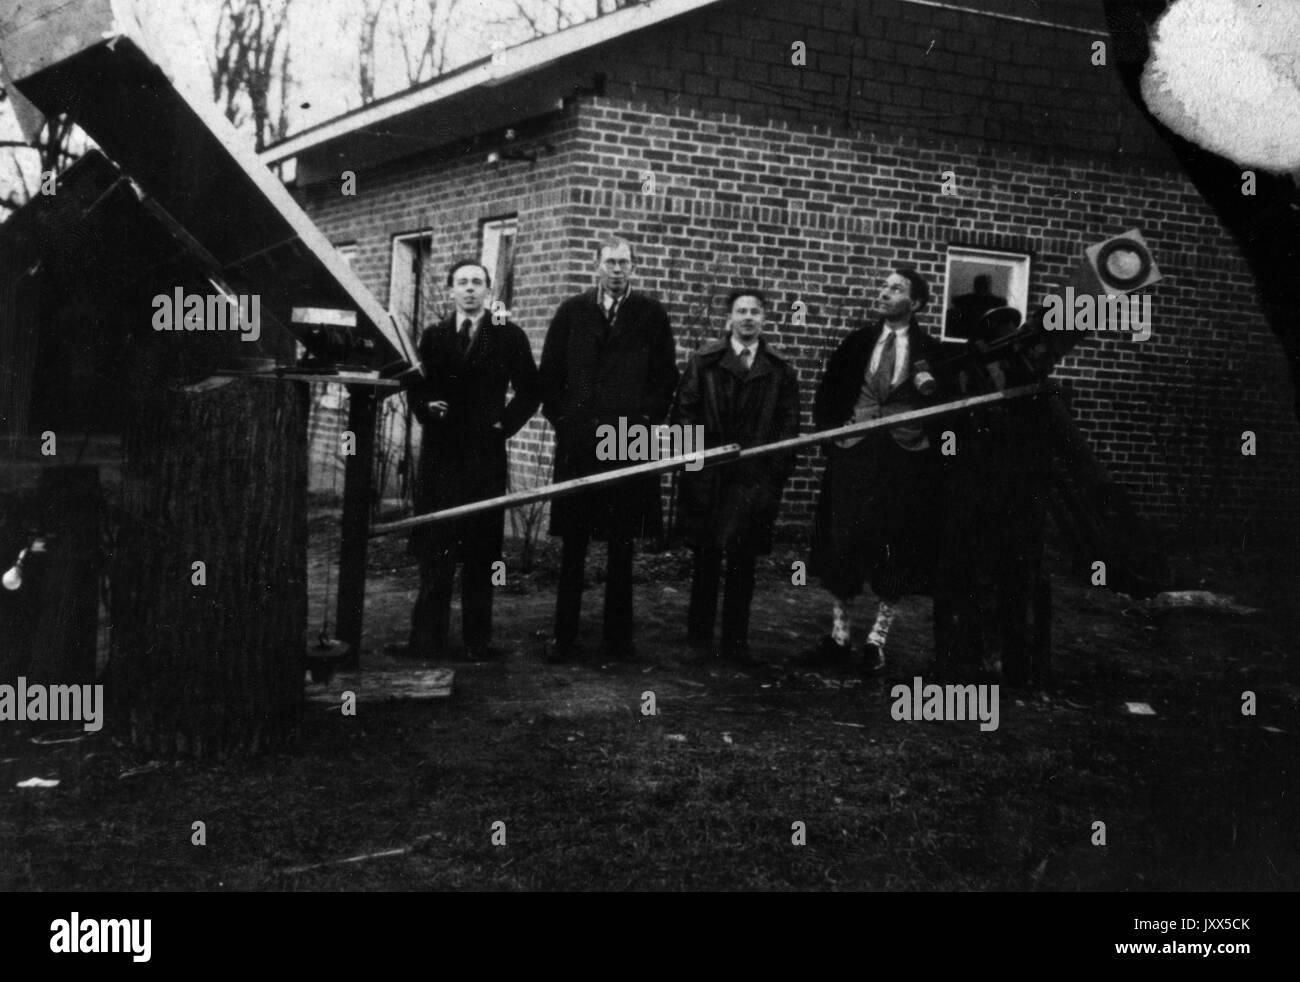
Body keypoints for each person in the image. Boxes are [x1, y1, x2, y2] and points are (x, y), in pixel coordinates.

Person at [539, 235, 679, 661]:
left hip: (627, 443)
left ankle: (618, 641)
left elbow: (665, 379)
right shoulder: (572, 312)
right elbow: (550, 375)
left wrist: (642, 422)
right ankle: (564, 638)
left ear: (633, 268)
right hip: (579, 443)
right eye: (610, 262)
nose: (617, 270)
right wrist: (566, 422)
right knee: (574, 546)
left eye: (625, 263)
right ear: (595, 265)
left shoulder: (651, 315)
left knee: (622, 544)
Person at [808, 268, 946, 673]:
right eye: (884, 287)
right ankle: (839, 637)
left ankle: (877, 639)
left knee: (895, 547)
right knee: (843, 544)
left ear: (916, 303)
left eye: (896, 289)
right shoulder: (857, 344)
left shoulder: (931, 351)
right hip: (854, 455)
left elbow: (945, 407)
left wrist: (929, 444)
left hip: (904, 460)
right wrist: (833, 436)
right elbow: (829, 393)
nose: (884, 293)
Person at [402, 259, 540, 660]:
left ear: (488, 290)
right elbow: (414, 387)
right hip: (441, 456)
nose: (469, 289)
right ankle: (427, 640)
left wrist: (504, 425)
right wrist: (427, 407)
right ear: (450, 290)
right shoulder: (433, 336)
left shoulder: (508, 335)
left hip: (483, 456)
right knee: (437, 546)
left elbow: (531, 390)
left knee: (480, 551)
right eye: (461, 283)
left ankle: (478, 641)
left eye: (477, 283)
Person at [673, 289, 800, 665]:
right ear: (729, 319)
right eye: (741, 311)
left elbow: (788, 426)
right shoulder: (705, 361)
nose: (748, 318)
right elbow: (683, 414)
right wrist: (694, 466)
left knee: (743, 563)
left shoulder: (779, 370)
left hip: (753, 480)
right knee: (706, 558)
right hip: (710, 477)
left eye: (755, 312)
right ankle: (698, 640)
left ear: (764, 319)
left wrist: (772, 476)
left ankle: (735, 642)